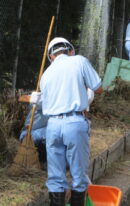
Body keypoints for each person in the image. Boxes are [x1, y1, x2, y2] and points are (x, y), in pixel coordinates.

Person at [30, 37, 102, 206]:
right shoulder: (79, 61)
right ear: (70, 50)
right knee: (78, 175)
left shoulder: (46, 75)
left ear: (51, 56)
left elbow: (45, 104)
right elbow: (98, 88)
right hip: (74, 122)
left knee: (55, 177)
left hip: (52, 126)